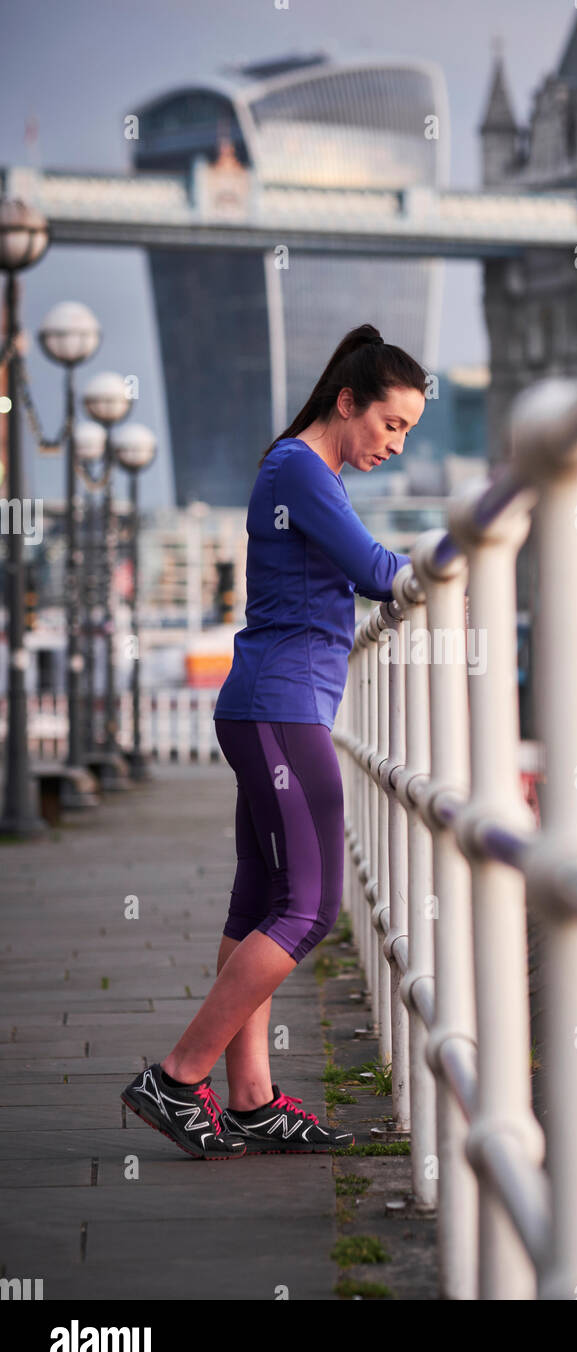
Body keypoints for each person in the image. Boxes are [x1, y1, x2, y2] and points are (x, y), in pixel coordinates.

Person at [122, 323, 426, 1158]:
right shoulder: (299, 465)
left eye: (408, 432)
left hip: (265, 706)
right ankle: (180, 1076)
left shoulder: (301, 468)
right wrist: (449, 561)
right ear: (348, 402)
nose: (396, 445)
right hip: (281, 713)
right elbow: (374, 571)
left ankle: (251, 1098)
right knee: (310, 906)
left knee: (260, 901)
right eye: (391, 424)